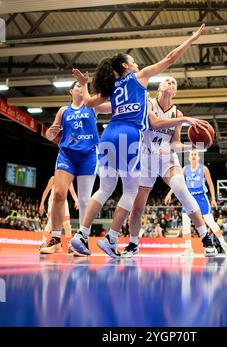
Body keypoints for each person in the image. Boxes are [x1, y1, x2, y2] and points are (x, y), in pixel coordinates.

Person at [70, 24, 214, 257]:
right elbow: (169, 59)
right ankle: (118, 239)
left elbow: (89, 104)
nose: (137, 62)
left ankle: (82, 235)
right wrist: (192, 39)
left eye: (173, 83)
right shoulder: (142, 85)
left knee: (108, 188)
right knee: (131, 195)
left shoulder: (115, 88)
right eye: (133, 60)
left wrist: (85, 85)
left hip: (116, 137)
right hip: (134, 143)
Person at [120, 75, 217, 258]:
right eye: (167, 81)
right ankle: (133, 243)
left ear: (175, 91)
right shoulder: (147, 103)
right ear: (160, 87)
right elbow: (155, 123)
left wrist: (194, 147)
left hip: (167, 158)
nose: (170, 83)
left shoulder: (177, 113)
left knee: (182, 190)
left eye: (173, 82)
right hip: (146, 159)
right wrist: (185, 120)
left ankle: (205, 237)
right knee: (138, 207)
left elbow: (176, 144)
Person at [41, 81, 110, 255]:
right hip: (67, 154)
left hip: (88, 155)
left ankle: (81, 241)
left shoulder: (92, 106)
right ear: (71, 91)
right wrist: (50, 133)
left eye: (83, 85)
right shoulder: (64, 111)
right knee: (58, 194)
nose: (81, 87)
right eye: (77, 86)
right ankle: (55, 240)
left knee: (85, 199)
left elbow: (111, 107)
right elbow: (52, 132)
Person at [165, 149, 227, 256]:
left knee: (210, 222)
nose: (193, 156)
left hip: (201, 197)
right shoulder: (184, 169)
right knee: (185, 223)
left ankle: (224, 244)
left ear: (199, 157)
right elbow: (177, 183)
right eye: (192, 154)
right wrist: (169, 194)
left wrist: (213, 199)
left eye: (195, 154)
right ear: (189, 157)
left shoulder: (204, 169)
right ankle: (188, 249)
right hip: (189, 197)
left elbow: (210, 184)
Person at [39, 176, 78, 254]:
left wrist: (76, 200)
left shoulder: (68, 179)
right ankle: (42, 243)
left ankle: (69, 245)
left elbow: (72, 192)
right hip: (52, 202)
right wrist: (42, 203)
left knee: (66, 224)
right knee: (50, 222)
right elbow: (46, 191)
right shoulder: (53, 179)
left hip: (63, 202)